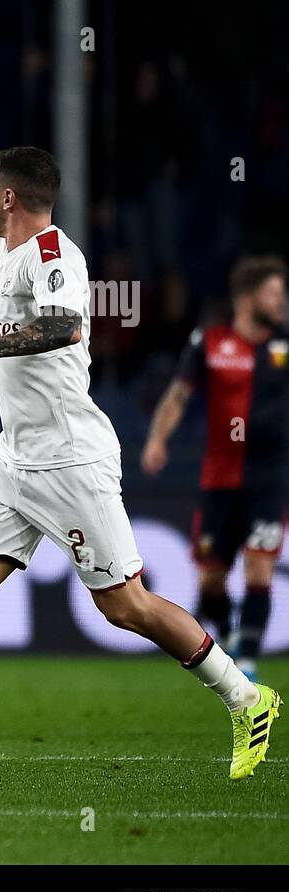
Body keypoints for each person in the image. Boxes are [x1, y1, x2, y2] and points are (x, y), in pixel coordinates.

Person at [0, 90, 279, 785]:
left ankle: (247, 697)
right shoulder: (13, 252)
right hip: (16, 455)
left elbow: (65, 326)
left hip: (70, 455)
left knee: (124, 604)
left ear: (10, 196)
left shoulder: (53, 254)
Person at [143, 255, 288, 680]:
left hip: (268, 479)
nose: (281, 302)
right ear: (248, 296)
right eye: (274, 293)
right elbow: (177, 395)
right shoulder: (209, 341)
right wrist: (157, 439)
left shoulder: (283, 346)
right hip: (219, 480)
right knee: (211, 582)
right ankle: (228, 637)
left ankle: (246, 658)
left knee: (260, 567)